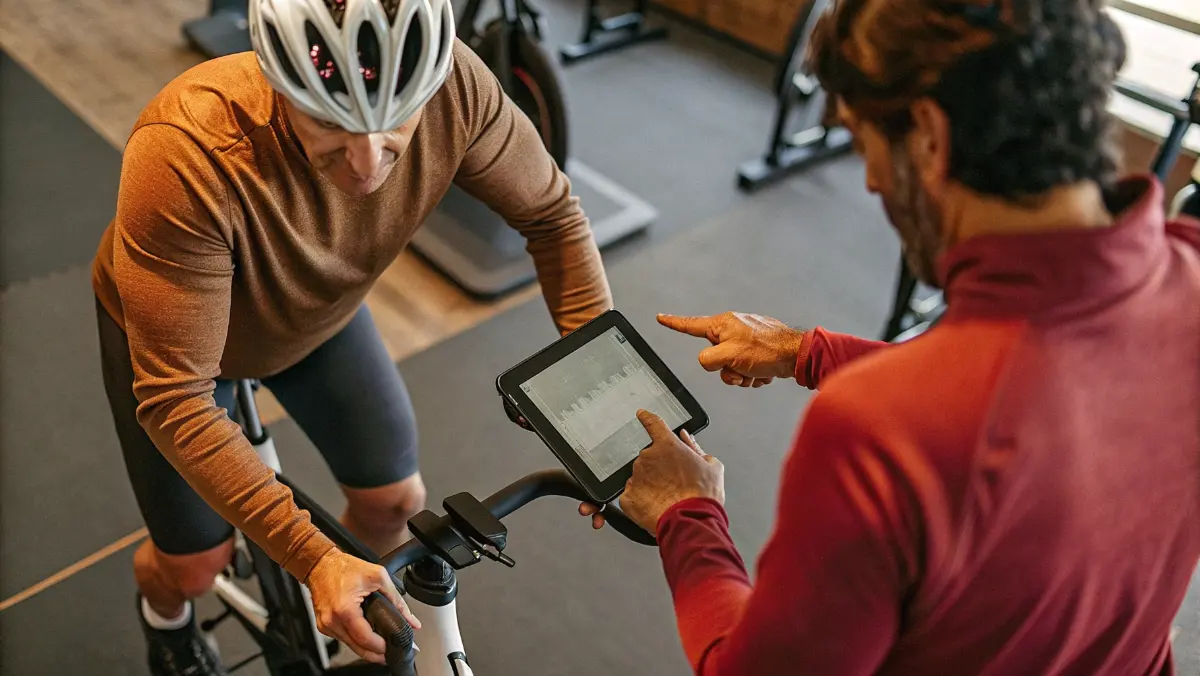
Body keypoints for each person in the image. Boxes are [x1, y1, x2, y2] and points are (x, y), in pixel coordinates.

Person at [581, 0, 1200, 673]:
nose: (872, 180)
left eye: (863, 139)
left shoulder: (877, 429)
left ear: (930, 137)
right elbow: (1043, 404)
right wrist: (804, 351)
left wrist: (689, 514)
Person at [93, 0, 612, 673]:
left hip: (318, 317)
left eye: (396, 119)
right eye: (330, 122)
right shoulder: (185, 147)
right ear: (278, 88)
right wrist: (313, 557)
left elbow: (554, 217)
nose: (368, 162)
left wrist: (613, 419)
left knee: (396, 503)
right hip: (184, 358)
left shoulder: (458, 86)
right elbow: (177, 397)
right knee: (196, 565)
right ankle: (165, 620)